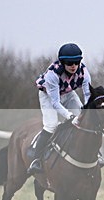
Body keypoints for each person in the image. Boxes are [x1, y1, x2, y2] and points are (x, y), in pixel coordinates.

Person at [28, 43, 93, 174]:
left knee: (85, 120)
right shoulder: (52, 74)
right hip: (49, 96)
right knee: (51, 125)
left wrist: (86, 111)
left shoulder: (84, 72)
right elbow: (56, 103)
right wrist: (70, 116)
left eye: (76, 62)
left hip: (68, 93)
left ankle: (96, 154)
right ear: (62, 62)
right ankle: (36, 160)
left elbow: (87, 95)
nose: (73, 66)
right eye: (69, 63)